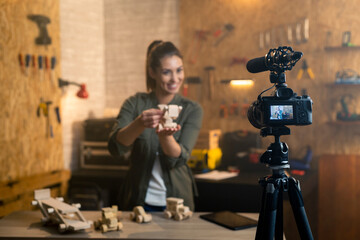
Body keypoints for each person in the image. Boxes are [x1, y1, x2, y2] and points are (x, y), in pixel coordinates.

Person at [108, 40, 203, 212]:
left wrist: (164, 136)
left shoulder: (192, 109)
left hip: (178, 202)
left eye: (179, 70)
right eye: (167, 72)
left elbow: (180, 158)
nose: (175, 78)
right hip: (137, 200)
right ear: (152, 72)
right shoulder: (135, 103)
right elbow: (115, 147)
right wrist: (139, 124)